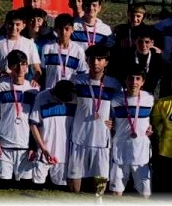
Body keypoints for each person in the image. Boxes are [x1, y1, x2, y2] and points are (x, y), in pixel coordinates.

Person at [67, 45, 120, 195]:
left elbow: (122, 110)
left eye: (100, 59)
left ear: (106, 62)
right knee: (73, 187)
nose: (95, 62)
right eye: (92, 59)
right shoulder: (76, 80)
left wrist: (115, 123)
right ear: (87, 60)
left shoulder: (114, 84)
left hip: (102, 140)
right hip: (79, 138)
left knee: (100, 187)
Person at [0, 50, 40, 188]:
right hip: (4, 146)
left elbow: (35, 121)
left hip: (25, 147)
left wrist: (33, 145)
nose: (20, 68)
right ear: (10, 67)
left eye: (23, 64)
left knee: (24, 186)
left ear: (27, 67)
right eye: (16, 65)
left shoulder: (33, 89)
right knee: (3, 185)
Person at [107, 66, 154, 198]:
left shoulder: (150, 98)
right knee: (116, 192)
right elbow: (108, 119)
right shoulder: (115, 99)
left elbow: (153, 119)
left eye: (138, 79)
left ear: (143, 82)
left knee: (145, 193)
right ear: (125, 80)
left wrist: (151, 127)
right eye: (131, 78)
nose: (134, 82)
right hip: (120, 149)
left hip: (141, 151)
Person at [28, 79, 76, 190]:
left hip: (65, 153)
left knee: (60, 190)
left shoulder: (74, 97)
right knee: (36, 189)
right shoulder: (41, 97)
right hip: (44, 151)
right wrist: (43, 149)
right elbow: (33, 124)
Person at [110, 26, 170, 95]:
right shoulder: (126, 56)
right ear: (135, 41)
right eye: (140, 42)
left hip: (148, 95)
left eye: (147, 42)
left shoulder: (157, 59)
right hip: (128, 93)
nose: (143, 45)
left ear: (152, 43)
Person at [0, 10, 41, 81]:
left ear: (23, 25)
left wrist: (34, 80)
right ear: (5, 24)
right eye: (11, 24)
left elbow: (37, 69)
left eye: (17, 24)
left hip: (21, 84)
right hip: (1, 84)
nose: (14, 27)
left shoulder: (29, 44)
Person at [40, 14, 86, 90]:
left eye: (67, 29)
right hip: (50, 93)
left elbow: (81, 75)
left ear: (72, 29)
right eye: (60, 29)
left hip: (69, 95)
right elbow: (43, 73)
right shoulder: (47, 48)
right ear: (55, 29)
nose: (63, 32)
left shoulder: (79, 51)